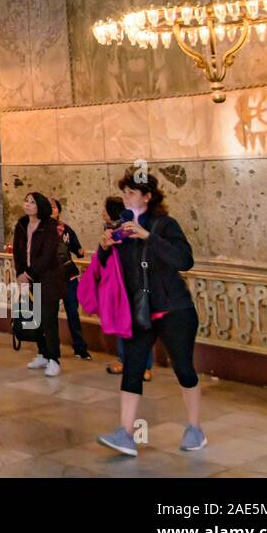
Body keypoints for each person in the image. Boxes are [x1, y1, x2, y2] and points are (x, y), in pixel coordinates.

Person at [97, 172, 205, 456]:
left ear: (147, 196)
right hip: (138, 310)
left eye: (132, 192)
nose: (126, 197)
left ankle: (195, 428)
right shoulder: (122, 227)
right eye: (124, 193)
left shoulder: (165, 225)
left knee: (183, 367)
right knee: (132, 368)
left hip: (174, 308)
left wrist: (147, 236)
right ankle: (125, 433)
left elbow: (184, 260)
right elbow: (114, 269)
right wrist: (105, 248)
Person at [13, 191, 66, 376]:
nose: (27, 205)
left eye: (32, 202)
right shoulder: (21, 224)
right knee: (33, 320)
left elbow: (49, 254)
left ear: (40, 206)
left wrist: (29, 273)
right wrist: (20, 273)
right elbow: (17, 253)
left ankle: (54, 359)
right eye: (26, 201)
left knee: (48, 320)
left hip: (47, 279)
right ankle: (42, 353)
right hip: (27, 278)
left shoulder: (49, 225)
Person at [100, 196, 153, 381]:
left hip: (138, 283)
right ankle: (124, 360)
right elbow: (103, 257)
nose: (102, 214)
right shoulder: (108, 230)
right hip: (118, 283)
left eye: (105, 210)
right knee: (121, 322)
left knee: (141, 325)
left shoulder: (132, 226)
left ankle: (146, 366)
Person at [52, 198, 90, 360]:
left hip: (68, 275)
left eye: (53, 206)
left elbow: (77, 248)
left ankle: (80, 348)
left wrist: (81, 251)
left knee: (72, 311)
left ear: (59, 210)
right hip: (50, 276)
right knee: (50, 313)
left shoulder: (66, 229)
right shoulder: (38, 228)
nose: (51, 209)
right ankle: (52, 348)